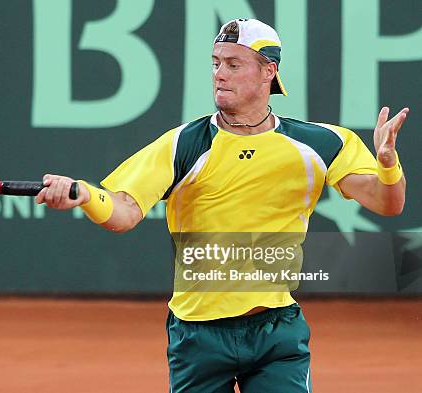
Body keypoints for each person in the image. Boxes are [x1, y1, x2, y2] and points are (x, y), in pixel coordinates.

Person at [34, 18, 408, 393]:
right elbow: (125, 211)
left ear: (269, 71)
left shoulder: (321, 144)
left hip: (277, 332)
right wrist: (86, 195)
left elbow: (386, 202)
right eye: (216, 63)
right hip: (198, 336)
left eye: (233, 64)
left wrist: (388, 164)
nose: (219, 74)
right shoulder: (184, 143)